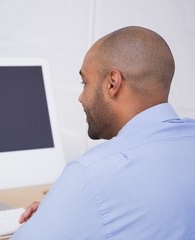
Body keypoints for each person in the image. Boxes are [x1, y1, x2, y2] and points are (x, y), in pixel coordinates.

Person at [10, 26, 195, 239]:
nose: (81, 97)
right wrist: (63, 212)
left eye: (85, 82)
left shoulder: (92, 173)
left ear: (112, 83)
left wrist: (42, 223)